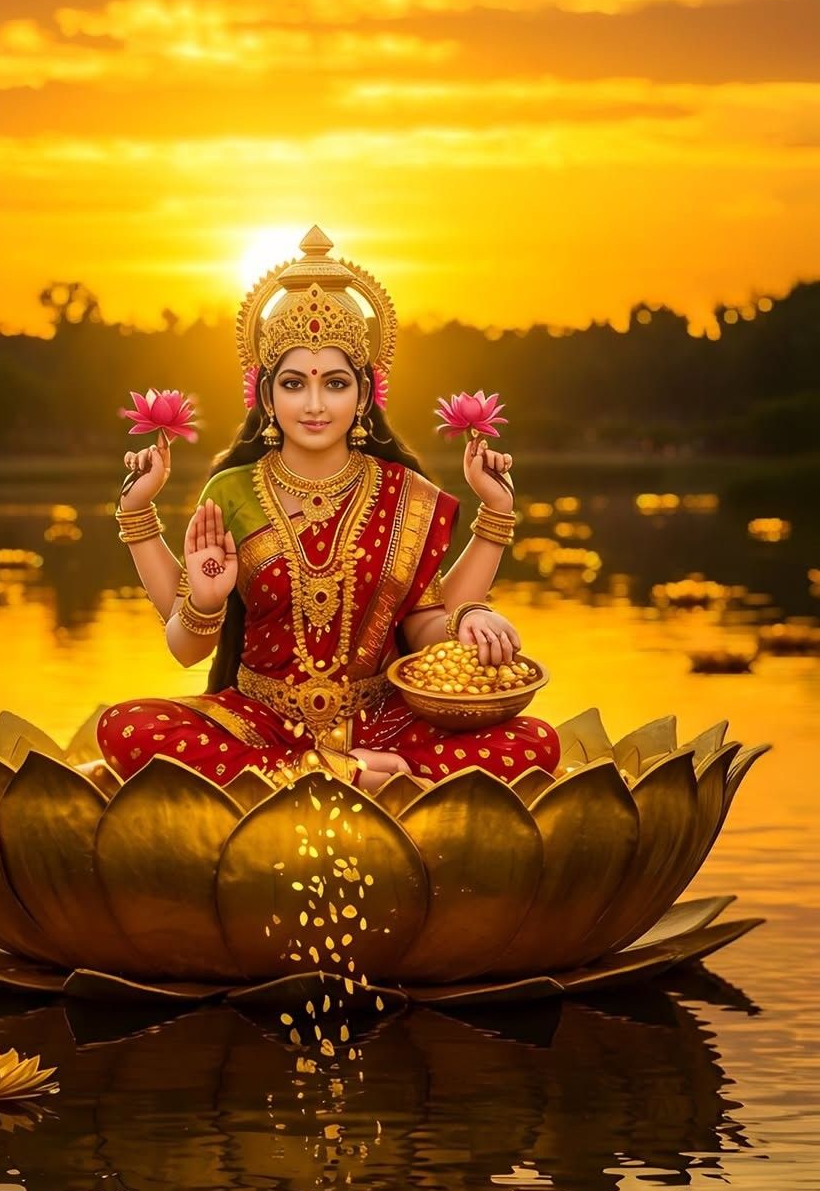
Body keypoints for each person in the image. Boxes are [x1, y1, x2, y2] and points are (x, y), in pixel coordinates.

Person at [97, 226, 560, 795]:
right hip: (261, 724)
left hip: (383, 724)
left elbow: (423, 625)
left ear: (362, 396)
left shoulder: (404, 492)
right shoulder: (233, 491)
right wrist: (201, 593)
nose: (314, 405)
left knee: (535, 741)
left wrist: (469, 611)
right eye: (294, 384)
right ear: (268, 397)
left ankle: (318, 777)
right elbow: (187, 650)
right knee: (125, 727)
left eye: (335, 384)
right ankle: (347, 777)